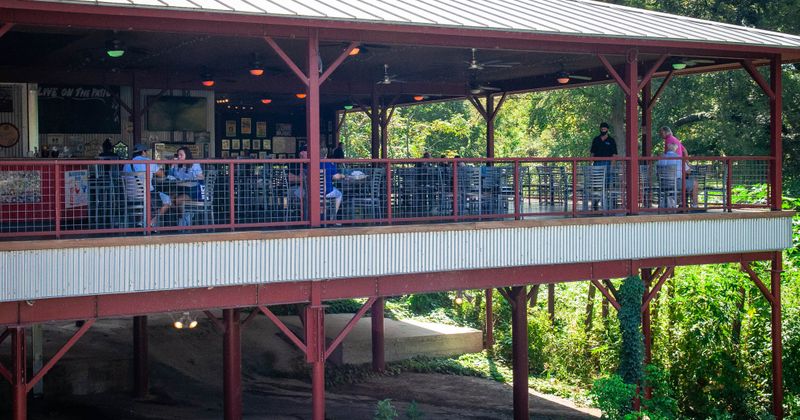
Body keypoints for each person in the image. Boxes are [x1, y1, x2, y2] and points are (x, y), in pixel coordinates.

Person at [122, 143, 168, 227]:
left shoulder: (126, 164)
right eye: (146, 152)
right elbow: (162, 175)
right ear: (143, 152)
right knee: (167, 200)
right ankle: (151, 222)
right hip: (146, 196)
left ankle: (141, 221)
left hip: (130, 197)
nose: (146, 154)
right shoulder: (148, 162)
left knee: (148, 199)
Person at [170, 146, 204, 226]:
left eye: (181, 155)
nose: (179, 157)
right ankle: (186, 215)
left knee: (178, 200)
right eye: (178, 155)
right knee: (170, 199)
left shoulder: (194, 164)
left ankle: (183, 222)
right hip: (182, 189)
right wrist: (172, 166)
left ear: (187, 155)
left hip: (194, 191)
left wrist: (192, 178)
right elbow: (171, 176)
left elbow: (201, 177)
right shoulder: (178, 166)